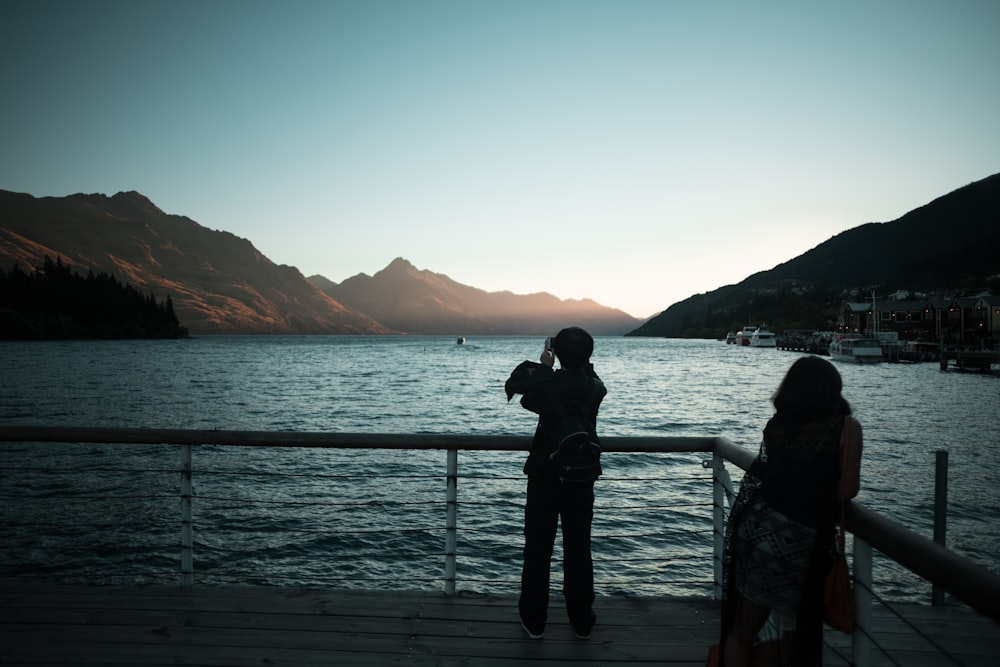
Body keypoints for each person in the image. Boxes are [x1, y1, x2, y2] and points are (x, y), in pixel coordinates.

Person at [719, 355, 863, 666]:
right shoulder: (846, 428)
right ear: (832, 388)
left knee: (742, 629)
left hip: (754, 528)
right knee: (794, 630)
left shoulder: (778, 426)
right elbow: (846, 491)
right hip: (798, 541)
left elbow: (766, 474)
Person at [504, 326, 607, 640]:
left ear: (556, 353)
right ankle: (581, 621)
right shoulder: (595, 388)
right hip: (581, 479)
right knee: (579, 549)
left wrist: (544, 365)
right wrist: (574, 363)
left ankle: (534, 621)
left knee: (538, 550)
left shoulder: (546, 388)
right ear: (589, 356)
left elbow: (519, 387)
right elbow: (586, 376)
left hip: (543, 478)